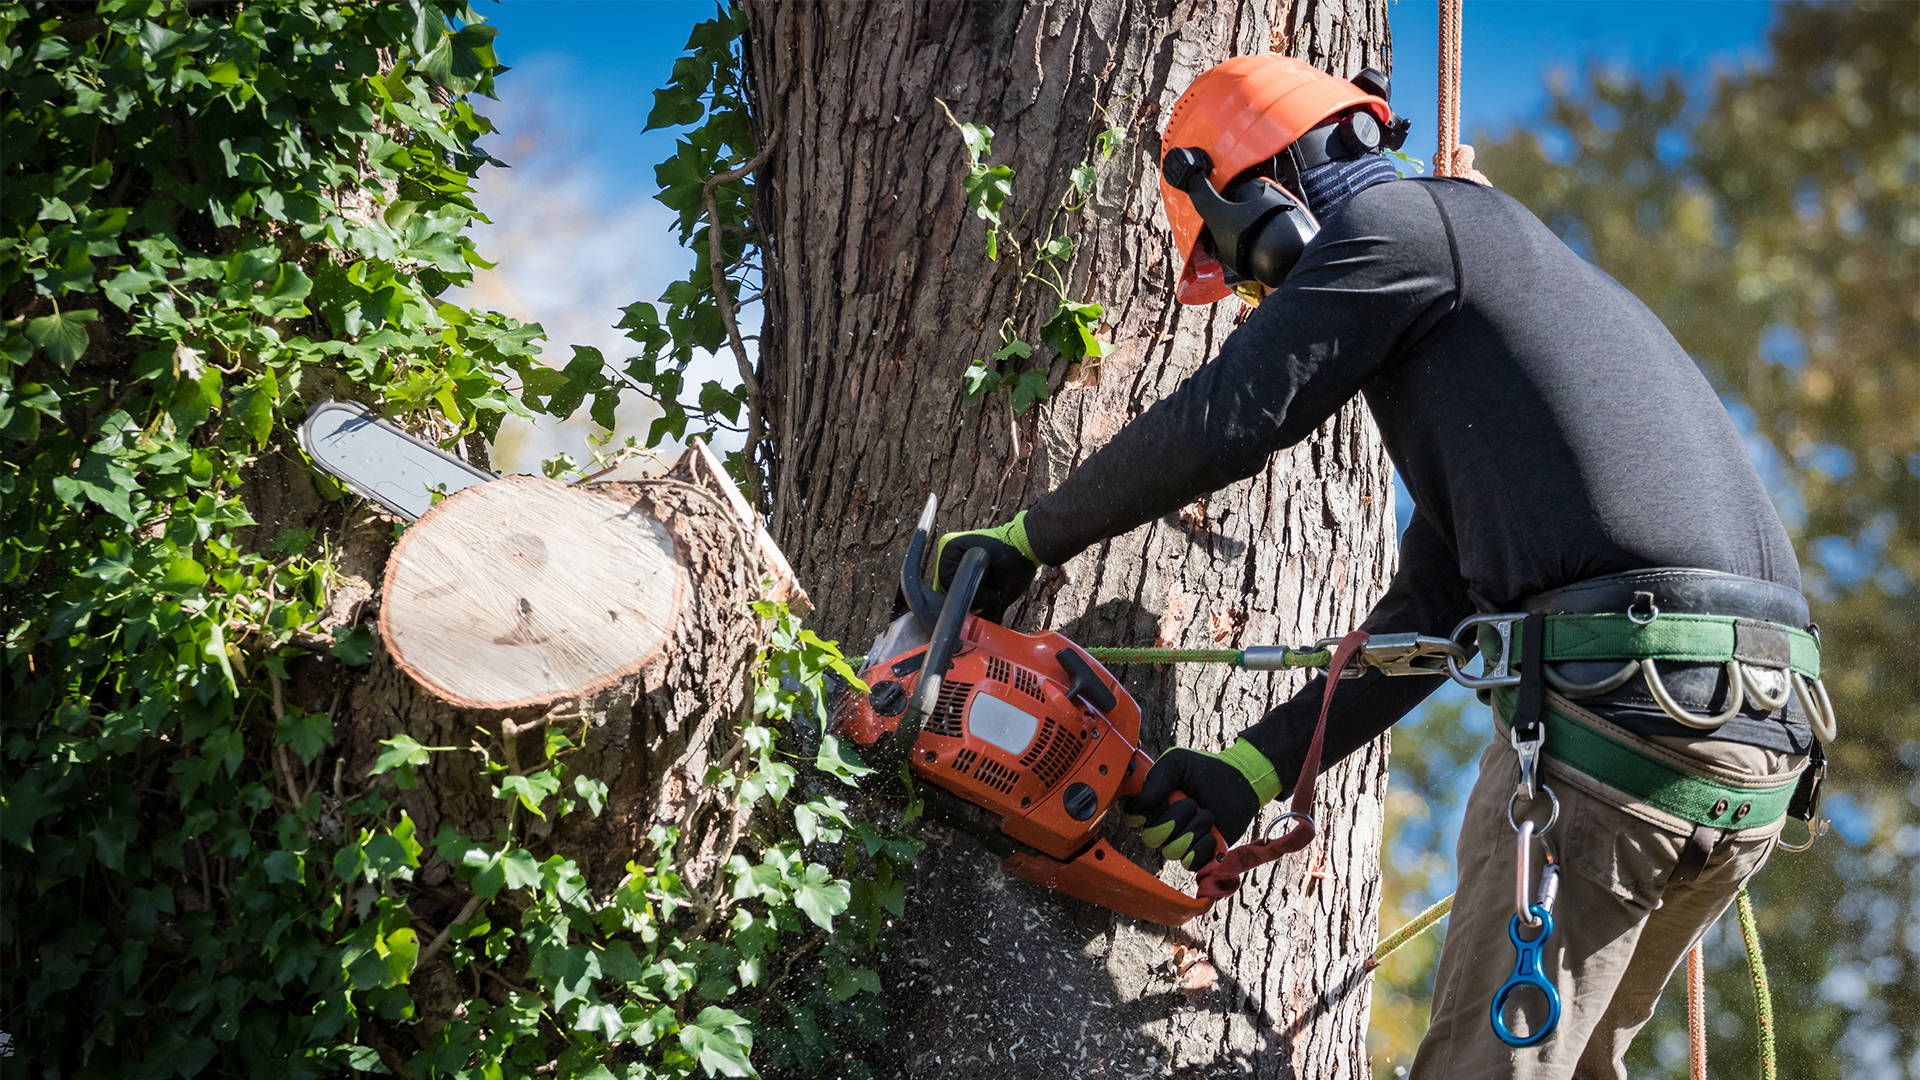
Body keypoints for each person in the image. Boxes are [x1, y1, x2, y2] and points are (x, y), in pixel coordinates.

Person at [935, 56, 1823, 1079]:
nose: (1265, 306)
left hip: (1622, 733)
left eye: (1253, 276)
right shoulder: (1499, 327)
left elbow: (1229, 422)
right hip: (1746, 752)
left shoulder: (1397, 232)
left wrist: (1023, 543)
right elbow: (1435, 613)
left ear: (1264, 202)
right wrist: (1252, 771)